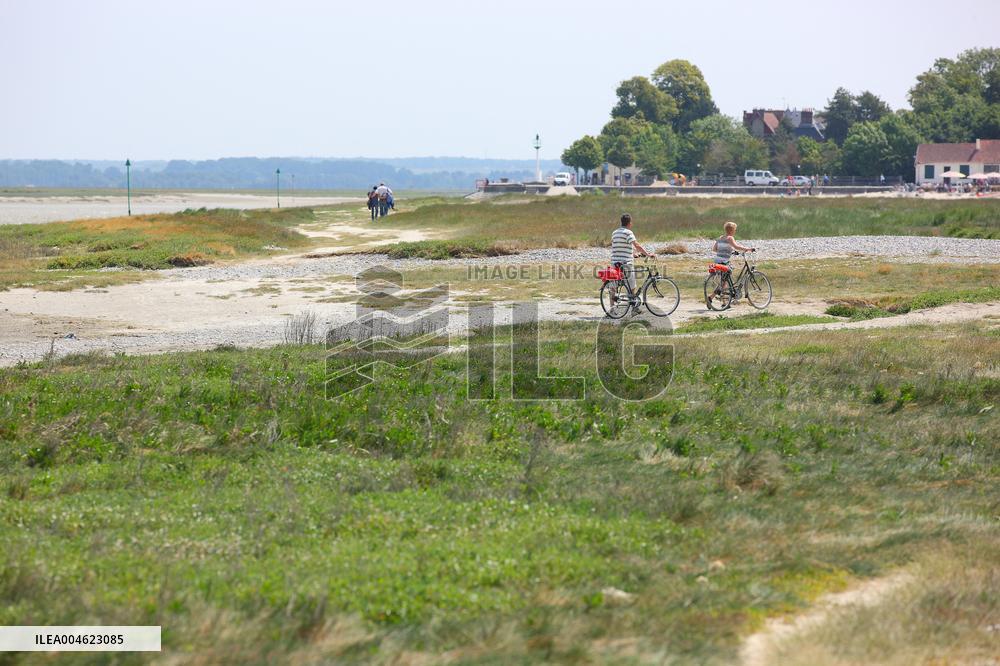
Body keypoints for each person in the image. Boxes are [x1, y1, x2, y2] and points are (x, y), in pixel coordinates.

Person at [611, 213, 654, 311]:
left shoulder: (614, 233)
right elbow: (637, 245)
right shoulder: (628, 233)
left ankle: (611, 310)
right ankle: (633, 307)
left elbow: (618, 246)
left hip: (614, 262)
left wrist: (633, 254)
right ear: (629, 223)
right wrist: (647, 254)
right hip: (626, 263)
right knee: (632, 285)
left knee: (613, 286)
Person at [707, 221, 755, 307]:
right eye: (735, 230)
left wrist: (726, 250)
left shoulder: (721, 238)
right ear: (732, 230)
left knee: (724, 282)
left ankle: (724, 303)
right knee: (725, 281)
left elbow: (714, 249)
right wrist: (747, 249)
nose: (735, 231)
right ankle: (711, 297)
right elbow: (736, 246)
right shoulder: (730, 238)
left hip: (717, 261)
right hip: (724, 262)